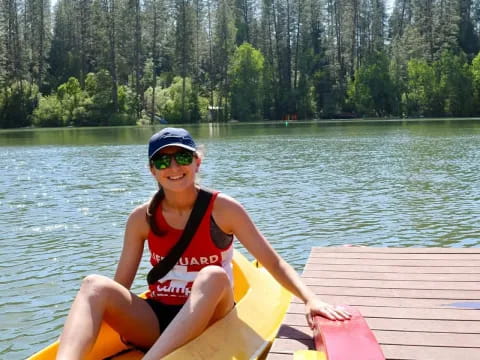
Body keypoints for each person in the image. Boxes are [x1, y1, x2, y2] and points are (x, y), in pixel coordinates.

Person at [56, 127, 351, 360]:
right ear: (152, 170)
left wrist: (310, 299)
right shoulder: (141, 218)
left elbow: (272, 261)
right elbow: (119, 288)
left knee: (212, 274)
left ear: (197, 161)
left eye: (183, 157)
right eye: (163, 160)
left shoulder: (224, 209)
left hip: (213, 316)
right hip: (160, 318)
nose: (174, 167)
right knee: (94, 285)